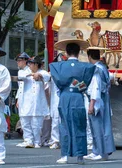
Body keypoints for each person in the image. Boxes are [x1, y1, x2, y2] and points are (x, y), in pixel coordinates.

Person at [49, 37, 95, 165]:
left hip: (65, 96)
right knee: (80, 125)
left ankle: (65, 155)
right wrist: (76, 82)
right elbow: (85, 85)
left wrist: (69, 82)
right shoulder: (86, 67)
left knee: (65, 125)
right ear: (79, 52)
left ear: (66, 52)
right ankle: (80, 156)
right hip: (78, 96)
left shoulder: (57, 66)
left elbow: (59, 82)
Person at [85, 47, 115, 161]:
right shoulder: (103, 67)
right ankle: (97, 150)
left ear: (89, 57)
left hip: (98, 98)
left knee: (98, 126)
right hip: (103, 97)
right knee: (98, 126)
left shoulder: (96, 69)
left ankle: (101, 152)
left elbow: (95, 87)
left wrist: (92, 103)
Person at [17, 56, 50, 149]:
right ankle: (28, 140)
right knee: (25, 122)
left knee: (36, 124)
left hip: (37, 103)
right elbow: (20, 76)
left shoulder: (43, 72)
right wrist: (31, 75)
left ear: (36, 64)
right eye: (29, 63)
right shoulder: (24, 72)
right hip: (25, 102)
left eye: (31, 63)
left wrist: (39, 75)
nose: (29, 65)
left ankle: (37, 141)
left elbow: (47, 76)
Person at [15, 52, 32, 148]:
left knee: (27, 119)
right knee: (23, 119)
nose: (18, 62)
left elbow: (23, 77)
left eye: (20, 60)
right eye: (18, 60)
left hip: (28, 98)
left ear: (26, 61)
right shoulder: (22, 71)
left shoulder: (28, 71)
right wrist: (18, 99)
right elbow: (20, 87)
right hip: (22, 97)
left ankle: (29, 139)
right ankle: (27, 139)